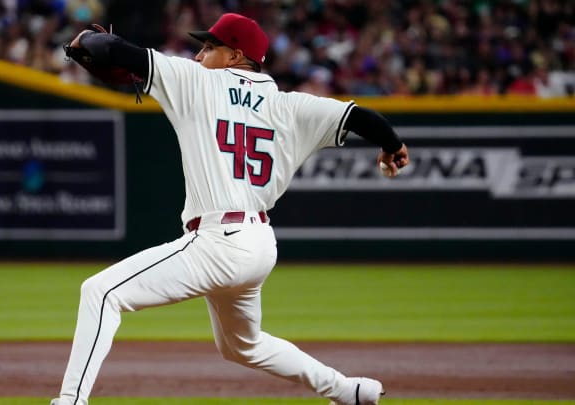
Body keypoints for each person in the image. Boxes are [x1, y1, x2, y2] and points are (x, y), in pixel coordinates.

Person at [52, 12, 409, 405]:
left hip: (218, 242)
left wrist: (80, 40)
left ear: (236, 56)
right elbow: (365, 119)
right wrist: (392, 147)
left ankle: (70, 401)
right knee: (243, 345)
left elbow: (108, 47)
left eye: (209, 47)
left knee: (100, 293)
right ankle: (349, 390)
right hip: (258, 245)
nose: (199, 55)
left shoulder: (195, 81)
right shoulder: (291, 106)